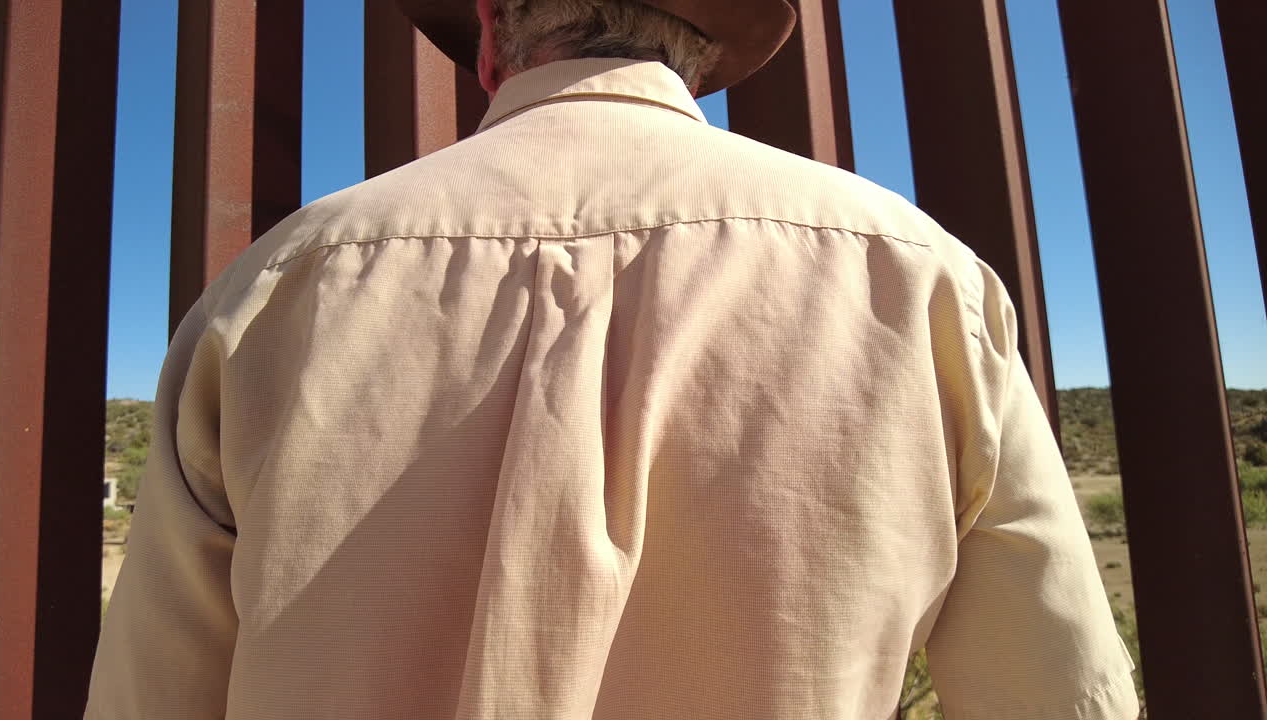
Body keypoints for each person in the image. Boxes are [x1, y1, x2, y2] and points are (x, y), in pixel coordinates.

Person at [85, 1, 1140, 718]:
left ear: (494, 30)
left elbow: (150, 697)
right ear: (698, 50)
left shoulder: (283, 283)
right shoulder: (916, 280)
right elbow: (1056, 689)